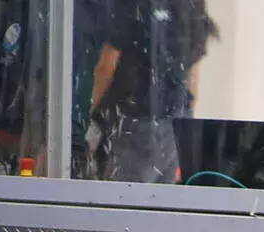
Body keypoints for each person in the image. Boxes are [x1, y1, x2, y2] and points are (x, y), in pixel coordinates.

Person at [85, 0, 219, 183]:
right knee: (161, 202)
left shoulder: (135, 6)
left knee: (123, 200)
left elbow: (106, 67)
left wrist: (92, 114)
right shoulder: (191, 7)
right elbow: (192, 77)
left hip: (137, 118)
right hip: (177, 121)